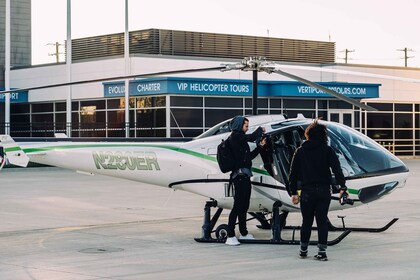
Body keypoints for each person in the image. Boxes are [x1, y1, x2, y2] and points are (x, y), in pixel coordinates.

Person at [288, 120, 347, 260]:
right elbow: (337, 170)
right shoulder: (327, 150)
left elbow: (293, 174)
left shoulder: (300, 151)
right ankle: (322, 252)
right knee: (321, 222)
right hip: (323, 191)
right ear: (323, 135)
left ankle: (303, 250)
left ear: (308, 134)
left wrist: (294, 192)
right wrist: (342, 187)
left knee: (306, 222)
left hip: (307, 192)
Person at [225, 116, 266, 246]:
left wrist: (260, 146)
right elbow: (252, 137)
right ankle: (230, 235)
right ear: (239, 125)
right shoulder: (236, 136)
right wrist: (260, 129)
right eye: (246, 126)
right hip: (239, 177)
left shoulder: (241, 140)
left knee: (244, 206)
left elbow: (249, 157)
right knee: (238, 206)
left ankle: (243, 232)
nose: (247, 128)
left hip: (245, 176)